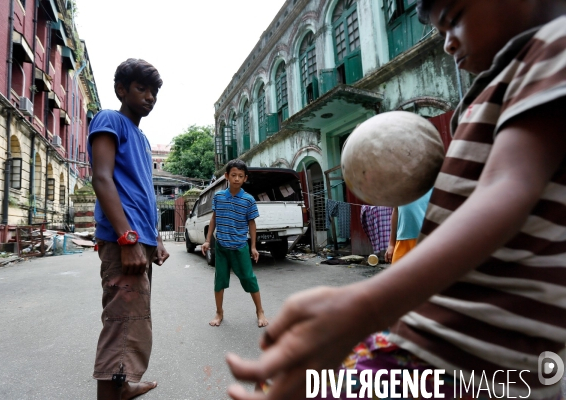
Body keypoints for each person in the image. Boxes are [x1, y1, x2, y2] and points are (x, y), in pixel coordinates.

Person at [225, 0, 566, 399]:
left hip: (475, 356)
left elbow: (506, 189)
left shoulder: (552, 52)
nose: (449, 45)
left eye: (454, 20)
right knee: (288, 375)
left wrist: (367, 305)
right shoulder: (496, 88)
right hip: (440, 333)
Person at [88, 58, 169, 400]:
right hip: (125, 242)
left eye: (154, 92)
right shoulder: (110, 120)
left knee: (135, 320)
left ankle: (123, 387)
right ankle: (112, 392)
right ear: (121, 90)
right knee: (122, 323)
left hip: (140, 241)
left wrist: (156, 237)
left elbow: (141, 192)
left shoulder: (142, 138)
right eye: (141, 88)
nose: (149, 97)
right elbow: (102, 178)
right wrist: (127, 237)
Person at [201, 159, 268, 328]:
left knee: (249, 279)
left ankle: (260, 311)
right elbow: (214, 218)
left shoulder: (248, 199)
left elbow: (252, 223)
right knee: (219, 281)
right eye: (233, 175)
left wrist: (253, 246)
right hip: (222, 247)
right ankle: (219, 312)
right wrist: (208, 240)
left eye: (240, 176)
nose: (236, 179)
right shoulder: (218, 197)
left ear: (245, 178)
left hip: (240, 247)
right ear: (226, 176)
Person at [384, 189, 432, 263]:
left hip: (424, 239)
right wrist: (391, 244)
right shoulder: (402, 187)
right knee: (399, 272)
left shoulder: (432, 186)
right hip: (402, 240)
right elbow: (396, 211)